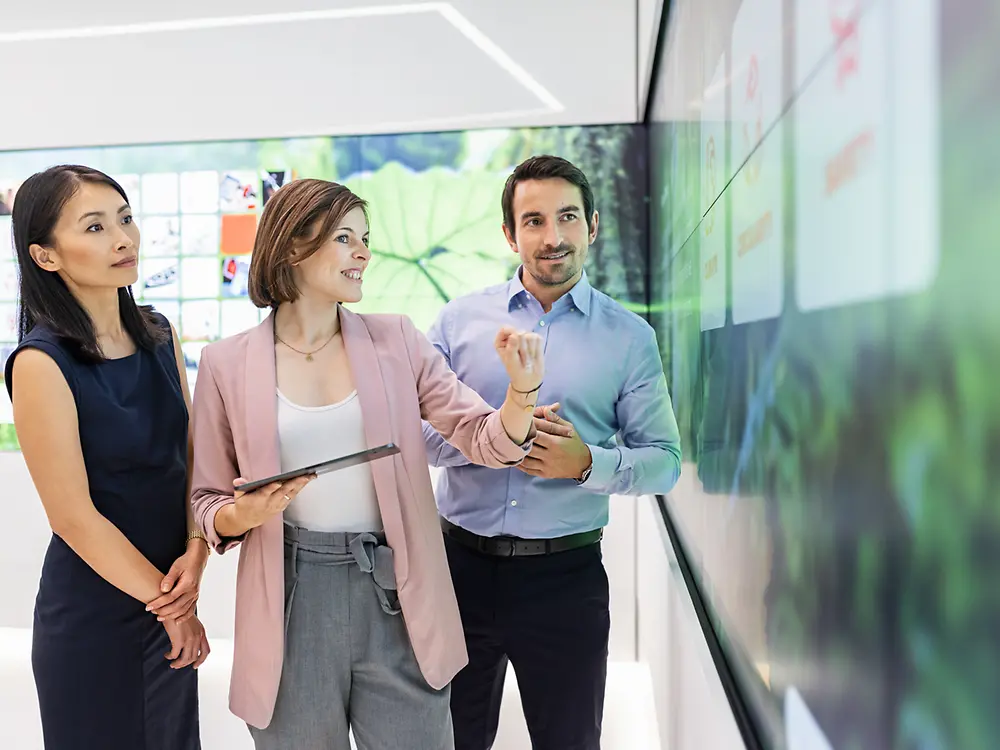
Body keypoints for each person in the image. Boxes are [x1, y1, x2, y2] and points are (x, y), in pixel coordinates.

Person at [188, 178, 559, 750]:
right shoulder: (224, 364)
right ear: (291, 245)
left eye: (366, 239)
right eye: (345, 238)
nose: (364, 253)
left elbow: (482, 438)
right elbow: (205, 503)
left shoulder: (398, 341)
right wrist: (243, 513)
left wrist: (522, 393)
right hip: (290, 596)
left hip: (396, 588)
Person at [422, 154, 683, 750]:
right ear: (511, 234)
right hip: (458, 569)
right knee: (446, 740)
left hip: (564, 579)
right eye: (534, 220)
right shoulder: (459, 323)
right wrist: (497, 437)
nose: (553, 236)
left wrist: (585, 463)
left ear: (592, 225)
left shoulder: (629, 338)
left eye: (568, 217)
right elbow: (415, 437)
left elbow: (664, 459)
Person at [4, 165, 210, 750]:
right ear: (45, 256)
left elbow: (194, 461)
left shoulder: (159, 333)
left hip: (170, 591)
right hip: (98, 613)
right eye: (94, 227)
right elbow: (72, 517)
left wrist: (197, 555)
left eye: (124, 219)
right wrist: (170, 607)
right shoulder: (40, 363)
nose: (123, 239)